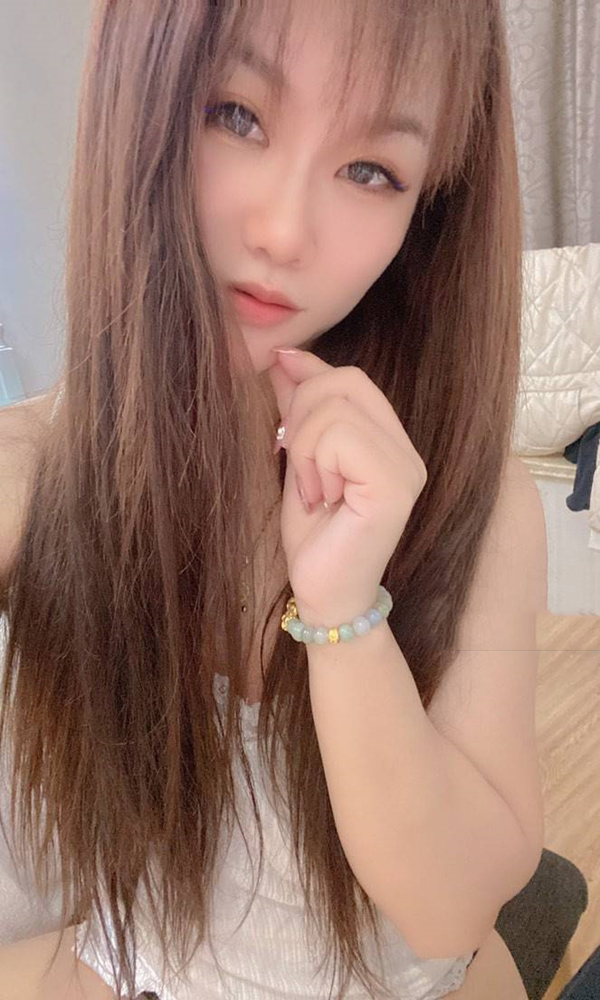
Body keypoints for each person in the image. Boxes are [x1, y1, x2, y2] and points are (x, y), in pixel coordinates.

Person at [0, 0, 547, 997]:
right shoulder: (35, 471)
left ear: (429, 212)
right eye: (237, 114)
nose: (284, 231)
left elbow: (451, 910)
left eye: (371, 170)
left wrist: (346, 614)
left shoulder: (475, 500)